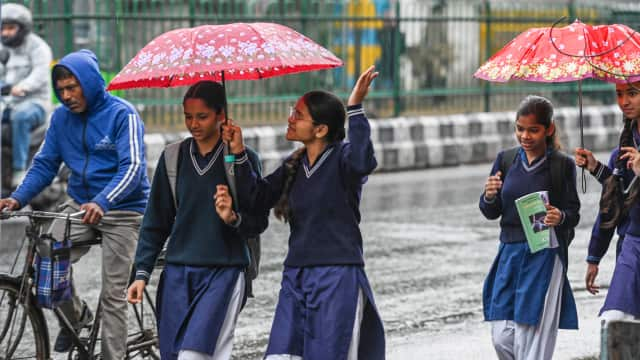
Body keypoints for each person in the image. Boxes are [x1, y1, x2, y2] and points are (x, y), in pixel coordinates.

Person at [222, 66, 385, 360]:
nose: (290, 119)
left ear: (321, 129)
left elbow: (364, 161)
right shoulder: (292, 166)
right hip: (296, 276)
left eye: (298, 115)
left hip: (337, 276)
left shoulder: (343, 160)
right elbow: (257, 198)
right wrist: (238, 152)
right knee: (281, 356)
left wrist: (355, 108)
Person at [0, 49, 150, 359]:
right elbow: (45, 164)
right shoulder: (61, 119)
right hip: (81, 205)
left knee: (113, 295)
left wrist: (105, 201)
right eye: (62, 90)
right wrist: (17, 198)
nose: (67, 96)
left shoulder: (122, 115)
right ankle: (78, 318)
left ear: (91, 83)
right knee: (46, 255)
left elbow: (133, 168)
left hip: (124, 209)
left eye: (73, 87)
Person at [127, 80, 268, 360]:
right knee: (174, 354)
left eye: (202, 116)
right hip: (177, 274)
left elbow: (257, 221)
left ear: (221, 115)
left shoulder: (244, 158)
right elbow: (156, 221)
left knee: (195, 355)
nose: (193, 124)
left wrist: (232, 215)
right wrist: (141, 272)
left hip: (224, 272)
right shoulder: (172, 158)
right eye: (188, 116)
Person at [479, 95, 580, 360]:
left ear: (548, 129)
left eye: (533, 130)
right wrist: (489, 196)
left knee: (531, 336)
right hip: (509, 253)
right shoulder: (506, 160)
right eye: (520, 129)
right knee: (502, 335)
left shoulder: (561, 165)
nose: (525, 136)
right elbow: (490, 211)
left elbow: (574, 213)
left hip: (544, 254)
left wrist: (560, 217)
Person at [585, 80, 640, 323]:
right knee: (616, 320)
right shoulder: (622, 152)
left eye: (632, 93)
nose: (624, 102)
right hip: (633, 245)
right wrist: (594, 256)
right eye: (619, 94)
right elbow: (614, 203)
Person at [0, 3, 52, 186]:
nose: (5, 33)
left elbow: (39, 74)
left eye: (10, 28)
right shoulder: (3, 49)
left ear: (22, 28)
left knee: (21, 116)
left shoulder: (38, 47)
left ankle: (19, 169)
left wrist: (22, 86)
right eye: (3, 28)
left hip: (35, 102)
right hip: (7, 102)